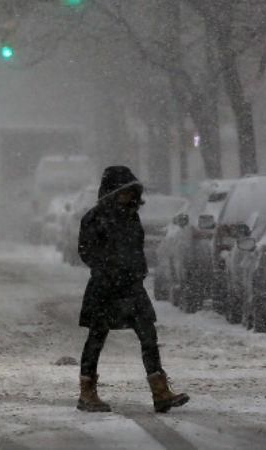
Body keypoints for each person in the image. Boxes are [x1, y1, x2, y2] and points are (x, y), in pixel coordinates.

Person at [76, 166, 189, 413]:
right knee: (97, 337)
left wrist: (137, 270)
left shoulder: (131, 217)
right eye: (124, 192)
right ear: (111, 193)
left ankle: (160, 391)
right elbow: (86, 252)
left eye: (131, 192)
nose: (128, 197)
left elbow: (135, 248)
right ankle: (87, 391)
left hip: (132, 286)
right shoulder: (94, 218)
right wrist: (109, 269)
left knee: (148, 336)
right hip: (105, 288)